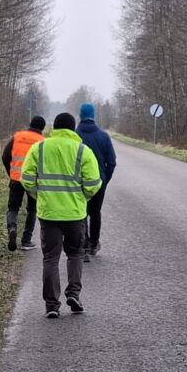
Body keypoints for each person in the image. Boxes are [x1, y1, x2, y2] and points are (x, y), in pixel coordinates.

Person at [20, 112, 102, 318]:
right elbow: (94, 183)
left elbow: (26, 178)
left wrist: (39, 195)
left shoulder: (39, 148)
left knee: (50, 258)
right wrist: (82, 198)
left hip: (49, 214)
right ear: (73, 129)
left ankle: (51, 304)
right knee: (75, 254)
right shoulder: (83, 150)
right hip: (75, 214)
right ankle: (73, 294)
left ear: (54, 128)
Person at [76, 103, 117, 260]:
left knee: (81, 213)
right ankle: (94, 244)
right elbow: (111, 162)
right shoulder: (103, 135)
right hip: (98, 182)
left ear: (80, 115)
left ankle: (84, 245)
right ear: (93, 116)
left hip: (78, 182)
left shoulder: (74, 135)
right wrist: (105, 179)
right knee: (95, 213)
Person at [2, 116, 46, 251]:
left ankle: (12, 228)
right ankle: (26, 240)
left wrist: (11, 173)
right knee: (32, 209)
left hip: (16, 178)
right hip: (33, 181)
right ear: (42, 128)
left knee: (13, 208)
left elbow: (5, 156)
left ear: (30, 124)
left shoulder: (18, 136)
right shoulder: (43, 141)